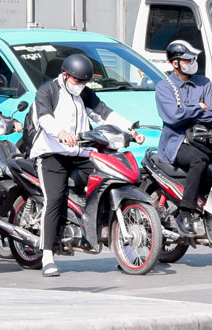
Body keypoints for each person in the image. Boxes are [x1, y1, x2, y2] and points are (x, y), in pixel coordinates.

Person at [30, 53, 142, 277]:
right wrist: (61, 133)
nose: (81, 85)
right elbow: (44, 118)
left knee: (110, 178)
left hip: (80, 152)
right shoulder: (48, 91)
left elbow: (105, 113)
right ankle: (48, 255)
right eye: (78, 80)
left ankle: (116, 243)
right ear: (65, 75)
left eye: (85, 81)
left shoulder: (84, 92)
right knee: (54, 199)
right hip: (52, 153)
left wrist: (131, 130)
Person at [155, 40, 212, 237]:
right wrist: (199, 107)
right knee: (198, 160)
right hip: (176, 143)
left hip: (204, 141)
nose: (192, 62)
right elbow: (173, 117)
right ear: (174, 63)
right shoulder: (164, 87)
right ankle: (185, 212)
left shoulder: (204, 83)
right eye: (187, 60)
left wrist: (186, 111)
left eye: (193, 59)